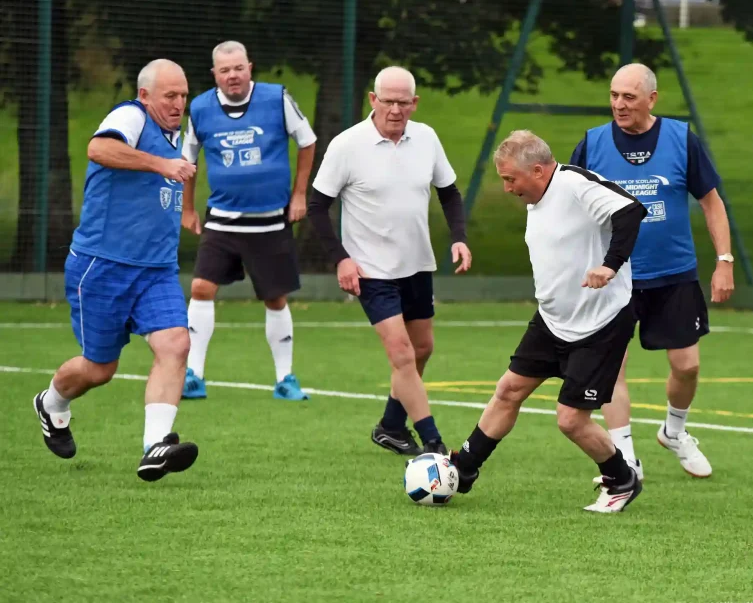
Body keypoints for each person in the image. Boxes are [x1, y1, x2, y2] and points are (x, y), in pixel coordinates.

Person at [447, 130, 647, 513]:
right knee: (508, 391)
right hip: (551, 321)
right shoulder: (536, 197)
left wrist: (609, 265)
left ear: (538, 170)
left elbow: (630, 211)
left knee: (571, 420)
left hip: (600, 324)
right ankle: (465, 468)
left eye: (510, 179)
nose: (506, 188)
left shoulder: (574, 184)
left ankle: (622, 480)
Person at [32, 59, 202, 482]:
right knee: (98, 369)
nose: (179, 102)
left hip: (157, 269)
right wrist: (161, 164)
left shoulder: (177, 132)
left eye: (183, 95)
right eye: (170, 95)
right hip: (102, 265)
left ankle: (155, 447)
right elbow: (98, 149)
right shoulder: (130, 116)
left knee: (176, 344)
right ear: (146, 95)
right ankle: (51, 403)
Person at [569, 63, 735, 482]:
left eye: (628, 96)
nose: (619, 105)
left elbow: (711, 202)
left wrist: (725, 261)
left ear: (651, 99)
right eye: (614, 95)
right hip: (616, 276)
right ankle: (624, 458)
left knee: (687, 365)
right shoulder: (592, 143)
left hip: (674, 274)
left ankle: (674, 432)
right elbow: (568, 203)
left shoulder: (681, 139)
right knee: (613, 367)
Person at [308, 66, 472, 457]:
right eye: (388, 101)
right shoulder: (347, 145)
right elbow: (317, 206)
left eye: (403, 102)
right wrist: (341, 260)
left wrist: (459, 239)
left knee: (422, 349)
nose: (395, 110)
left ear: (414, 104)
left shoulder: (427, 138)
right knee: (401, 353)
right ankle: (433, 443)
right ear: (373, 100)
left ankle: (390, 426)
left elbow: (449, 193)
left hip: (417, 264)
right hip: (371, 271)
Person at [180, 40, 316, 402]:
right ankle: (194, 374)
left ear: (250, 68)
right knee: (200, 289)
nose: (232, 76)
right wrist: (187, 209)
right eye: (224, 70)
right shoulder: (200, 108)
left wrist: (300, 194)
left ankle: (285, 378)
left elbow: (307, 142)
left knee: (275, 298)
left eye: (238, 68)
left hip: (270, 221)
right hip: (222, 221)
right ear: (214, 75)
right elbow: (187, 160)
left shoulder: (276, 98)